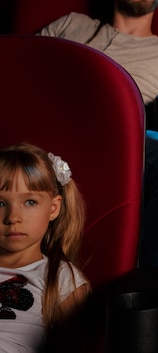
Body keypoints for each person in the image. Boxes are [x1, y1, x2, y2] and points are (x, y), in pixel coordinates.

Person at [37, 0, 158, 268]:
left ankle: (148, 287)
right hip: (59, 130)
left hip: (133, 143)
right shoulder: (71, 25)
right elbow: (24, 74)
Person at [0, 143, 89, 353]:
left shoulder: (60, 278)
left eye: (30, 202)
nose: (13, 218)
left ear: (53, 208)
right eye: (0, 204)